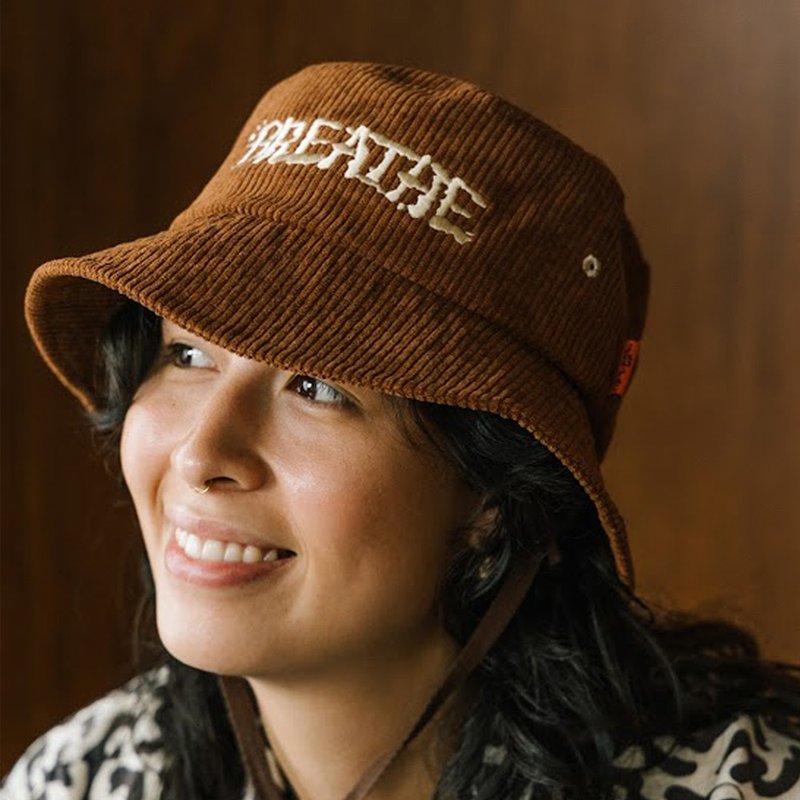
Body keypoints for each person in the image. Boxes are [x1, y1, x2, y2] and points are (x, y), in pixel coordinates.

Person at [4, 62, 799, 800]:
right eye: (186, 354)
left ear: (495, 500)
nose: (201, 452)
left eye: (315, 386)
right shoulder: (81, 782)